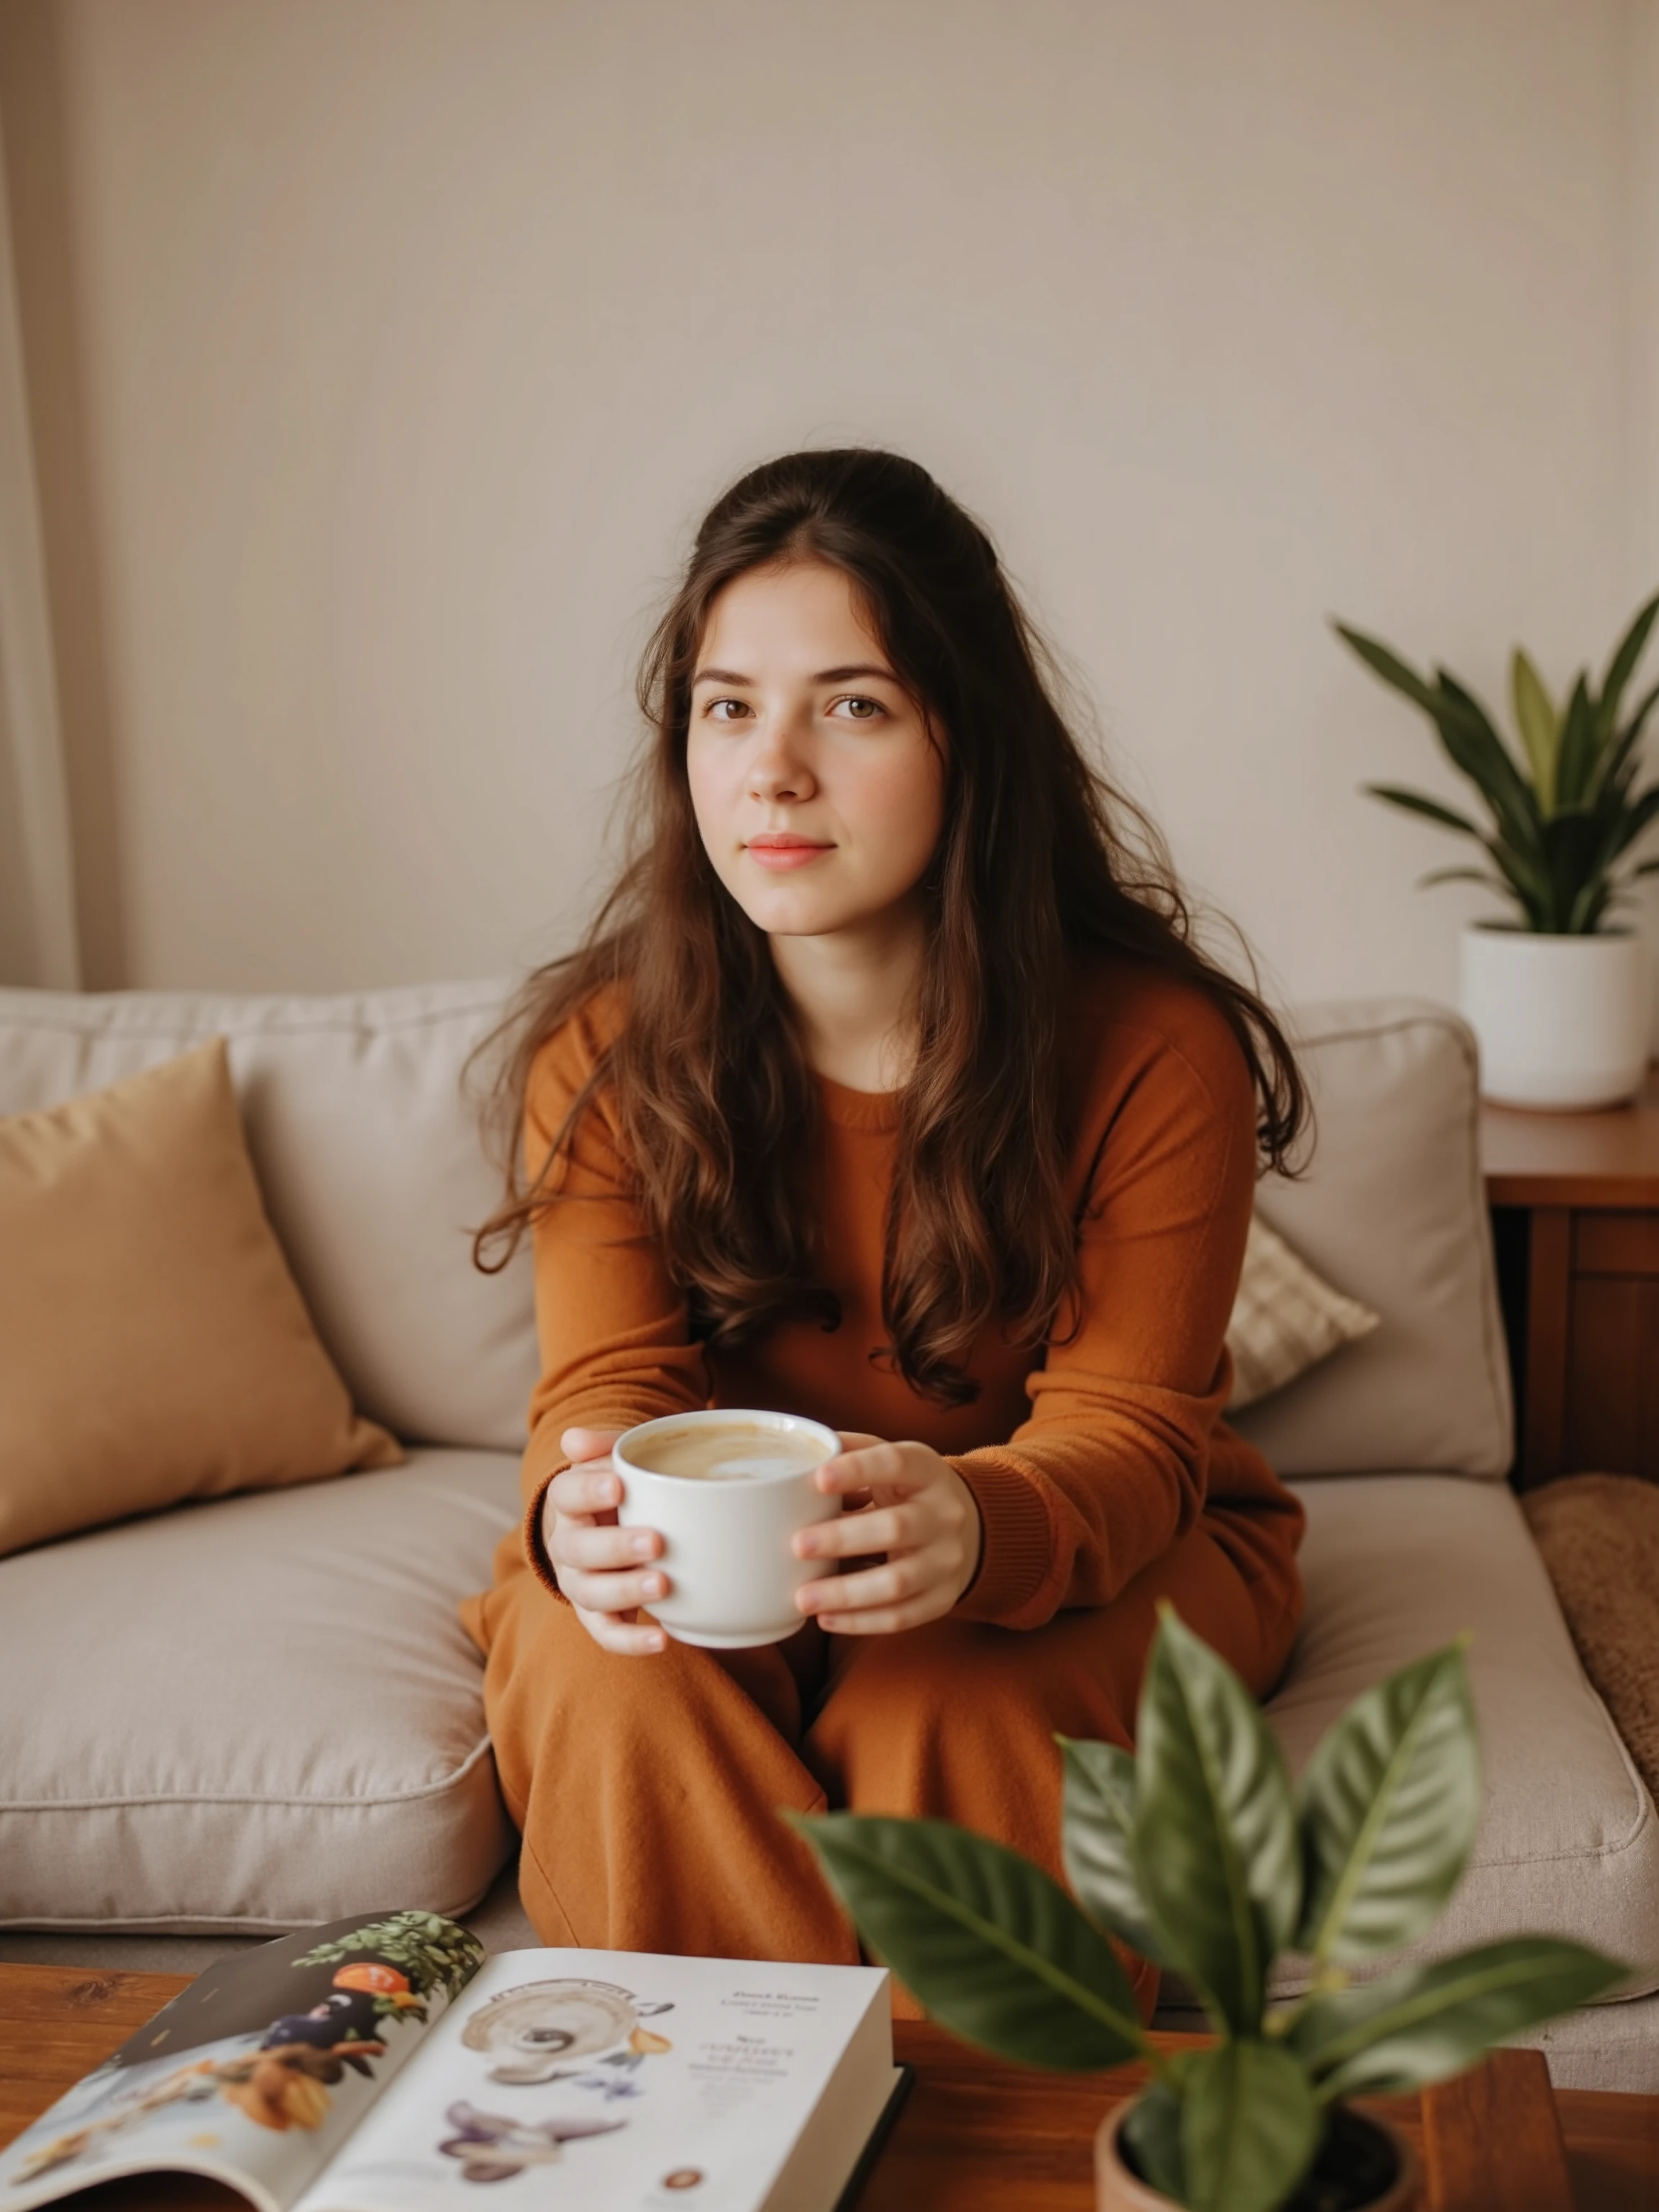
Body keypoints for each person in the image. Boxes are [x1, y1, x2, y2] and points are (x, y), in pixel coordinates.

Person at [460, 448, 1308, 2019]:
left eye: (850, 705)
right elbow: (607, 1394)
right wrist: (579, 1509)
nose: (771, 770)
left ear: (963, 740)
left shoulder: (1150, 1044)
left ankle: (970, 2148)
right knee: (603, 1675)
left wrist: (981, 1528)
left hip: (1064, 1540)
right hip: (730, 1562)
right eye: (728, 706)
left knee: (957, 1703)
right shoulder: (604, 1050)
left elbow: (1127, 1425)